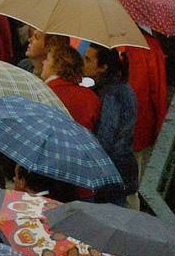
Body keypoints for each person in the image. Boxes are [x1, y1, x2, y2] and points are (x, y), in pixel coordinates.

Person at [83, 45, 139, 206]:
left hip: (113, 170)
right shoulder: (120, 87)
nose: (83, 62)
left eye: (88, 59)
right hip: (122, 168)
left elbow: (107, 136)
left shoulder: (111, 94)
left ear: (103, 67)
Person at [42, 45, 100, 132]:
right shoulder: (91, 96)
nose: (43, 62)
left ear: (57, 65)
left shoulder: (43, 92)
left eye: (47, 59)